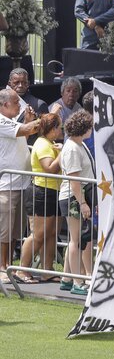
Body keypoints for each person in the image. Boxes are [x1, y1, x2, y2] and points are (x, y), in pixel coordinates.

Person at [17, 113, 63, 283]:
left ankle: (47, 270)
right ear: (52, 128)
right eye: (59, 126)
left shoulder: (49, 143)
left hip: (52, 191)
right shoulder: (43, 144)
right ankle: (22, 270)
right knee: (38, 234)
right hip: (41, 192)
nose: (61, 130)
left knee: (51, 234)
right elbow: (49, 168)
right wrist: (62, 153)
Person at [0, 89, 40, 284]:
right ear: (5, 105)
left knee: (16, 230)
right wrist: (48, 118)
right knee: (4, 229)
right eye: (17, 102)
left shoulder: (12, 123)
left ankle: (9, 266)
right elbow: (25, 131)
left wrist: (28, 122)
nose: (21, 106)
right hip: (6, 184)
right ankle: (1, 267)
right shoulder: (0, 121)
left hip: (21, 182)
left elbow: (22, 135)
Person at [58, 111, 95, 295]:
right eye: (90, 127)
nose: (92, 130)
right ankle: (77, 282)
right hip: (73, 197)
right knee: (76, 240)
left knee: (76, 239)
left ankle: (66, 278)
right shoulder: (72, 147)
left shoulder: (78, 145)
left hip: (78, 196)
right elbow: (74, 181)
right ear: (84, 128)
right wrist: (82, 203)